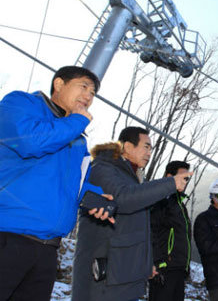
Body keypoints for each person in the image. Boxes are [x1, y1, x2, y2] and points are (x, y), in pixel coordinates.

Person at [0, 66, 114, 301]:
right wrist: (76, 122)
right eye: (84, 86)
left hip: (47, 250)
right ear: (59, 84)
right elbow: (31, 141)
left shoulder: (77, 141)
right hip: (8, 237)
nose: (89, 96)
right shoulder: (22, 103)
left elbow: (77, 184)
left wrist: (94, 199)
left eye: (93, 93)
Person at [72, 126, 192, 301]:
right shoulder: (103, 168)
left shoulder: (130, 176)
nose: (149, 153)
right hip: (104, 276)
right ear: (128, 147)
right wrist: (169, 183)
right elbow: (124, 199)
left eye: (151, 148)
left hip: (124, 274)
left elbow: (139, 228)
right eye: (146, 147)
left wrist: (146, 263)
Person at [149, 160, 192, 301]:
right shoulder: (160, 200)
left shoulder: (179, 204)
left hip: (179, 269)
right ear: (169, 176)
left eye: (187, 178)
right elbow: (151, 231)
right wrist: (158, 262)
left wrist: (185, 267)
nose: (185, 181)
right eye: (182, 177)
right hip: (163, 270)